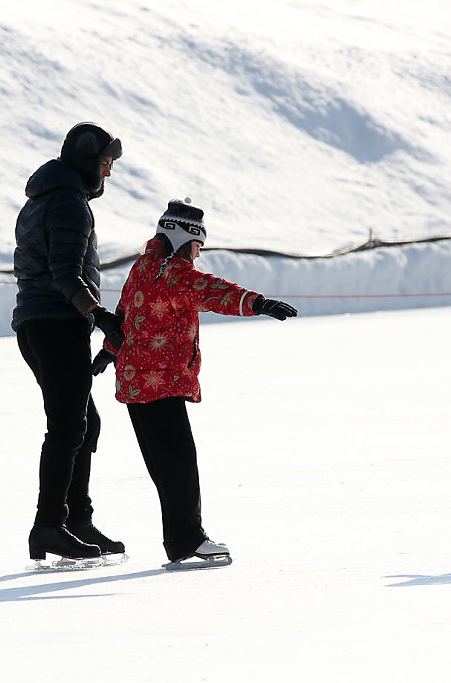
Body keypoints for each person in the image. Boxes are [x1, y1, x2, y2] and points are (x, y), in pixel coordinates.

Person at [94, 198, 297, 567]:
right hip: (163, 381)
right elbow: (214, 290)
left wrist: (109, 351)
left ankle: (179, 539)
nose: (198, 255)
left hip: (135, 383)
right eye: (197, 247)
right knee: (179, 462)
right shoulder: (174, 272)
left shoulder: (142, 267)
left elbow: (125, 315)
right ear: (183, 239)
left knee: (164, 465)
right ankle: (188, 538)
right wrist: (259, 303)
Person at [13, 122, 126, 563]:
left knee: (84, 422)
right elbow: (64, 273)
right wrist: (99, 316)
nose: (109, 174)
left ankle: (76, 520)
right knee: (68, 427)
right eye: (105, 163)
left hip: (37, 324)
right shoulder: (69, 204)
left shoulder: (42, 199)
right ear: (87, 162)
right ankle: (49, 526)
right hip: (56, 325)